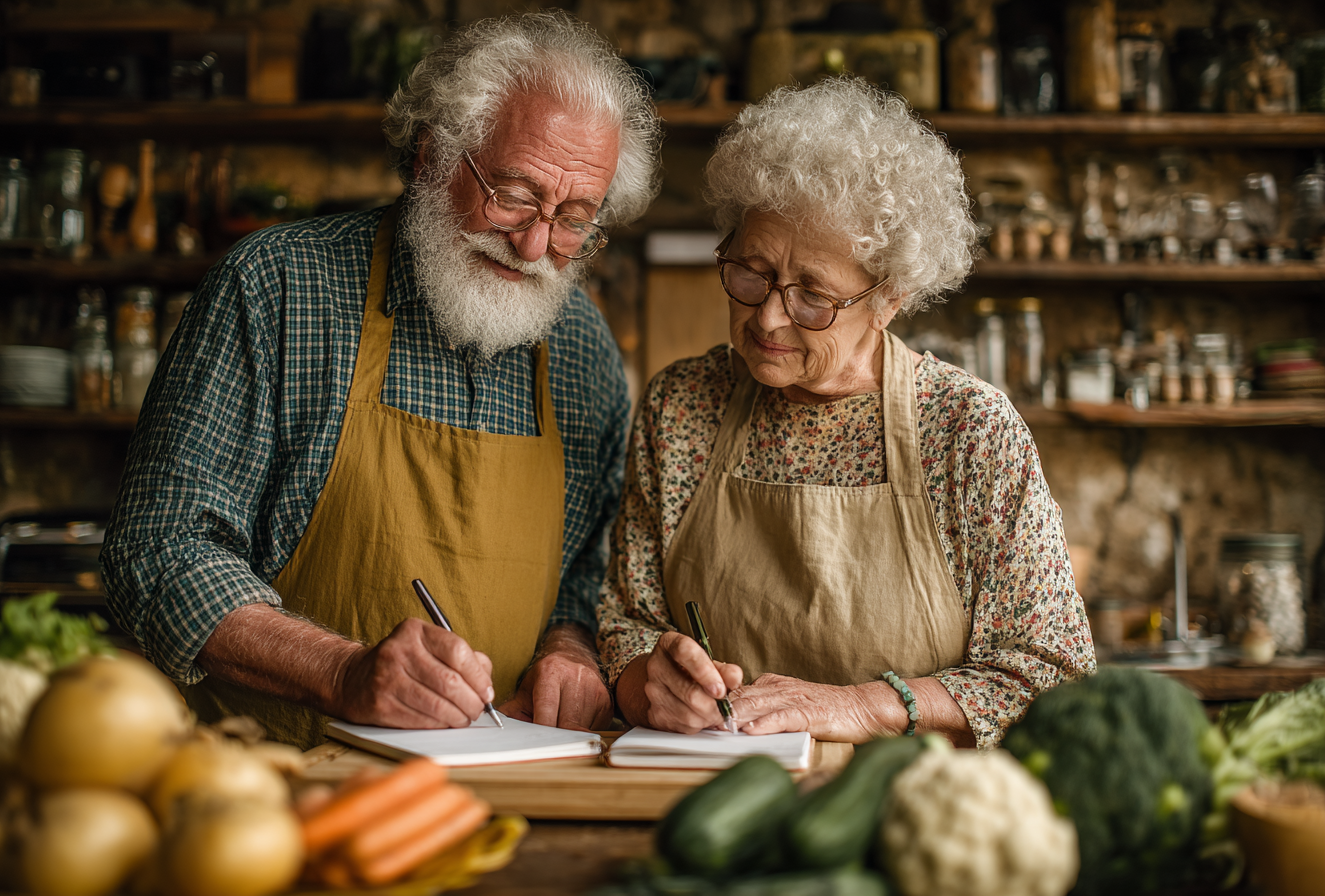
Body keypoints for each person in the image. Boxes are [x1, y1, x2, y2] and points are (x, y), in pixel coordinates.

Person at [101, 12, 662, 749]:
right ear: (434, 152)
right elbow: (159, 550)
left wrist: (569, 648)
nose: (534, 244)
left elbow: (585, 574)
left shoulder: (583, 348)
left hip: (509, 780)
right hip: (268, 786)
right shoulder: (277, 287)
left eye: (574, 218)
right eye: (516, 194)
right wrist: (343, 671)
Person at [597, 79, 1095, 750]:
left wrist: (865, 706)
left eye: (814, 295)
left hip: (914, 813)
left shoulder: (969, 431)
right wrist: (644, 680)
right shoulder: (682, 406)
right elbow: (626, 621)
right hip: (711, 795)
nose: (770, 316)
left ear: (890, 296)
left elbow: (1053, 672)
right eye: (751, 272)